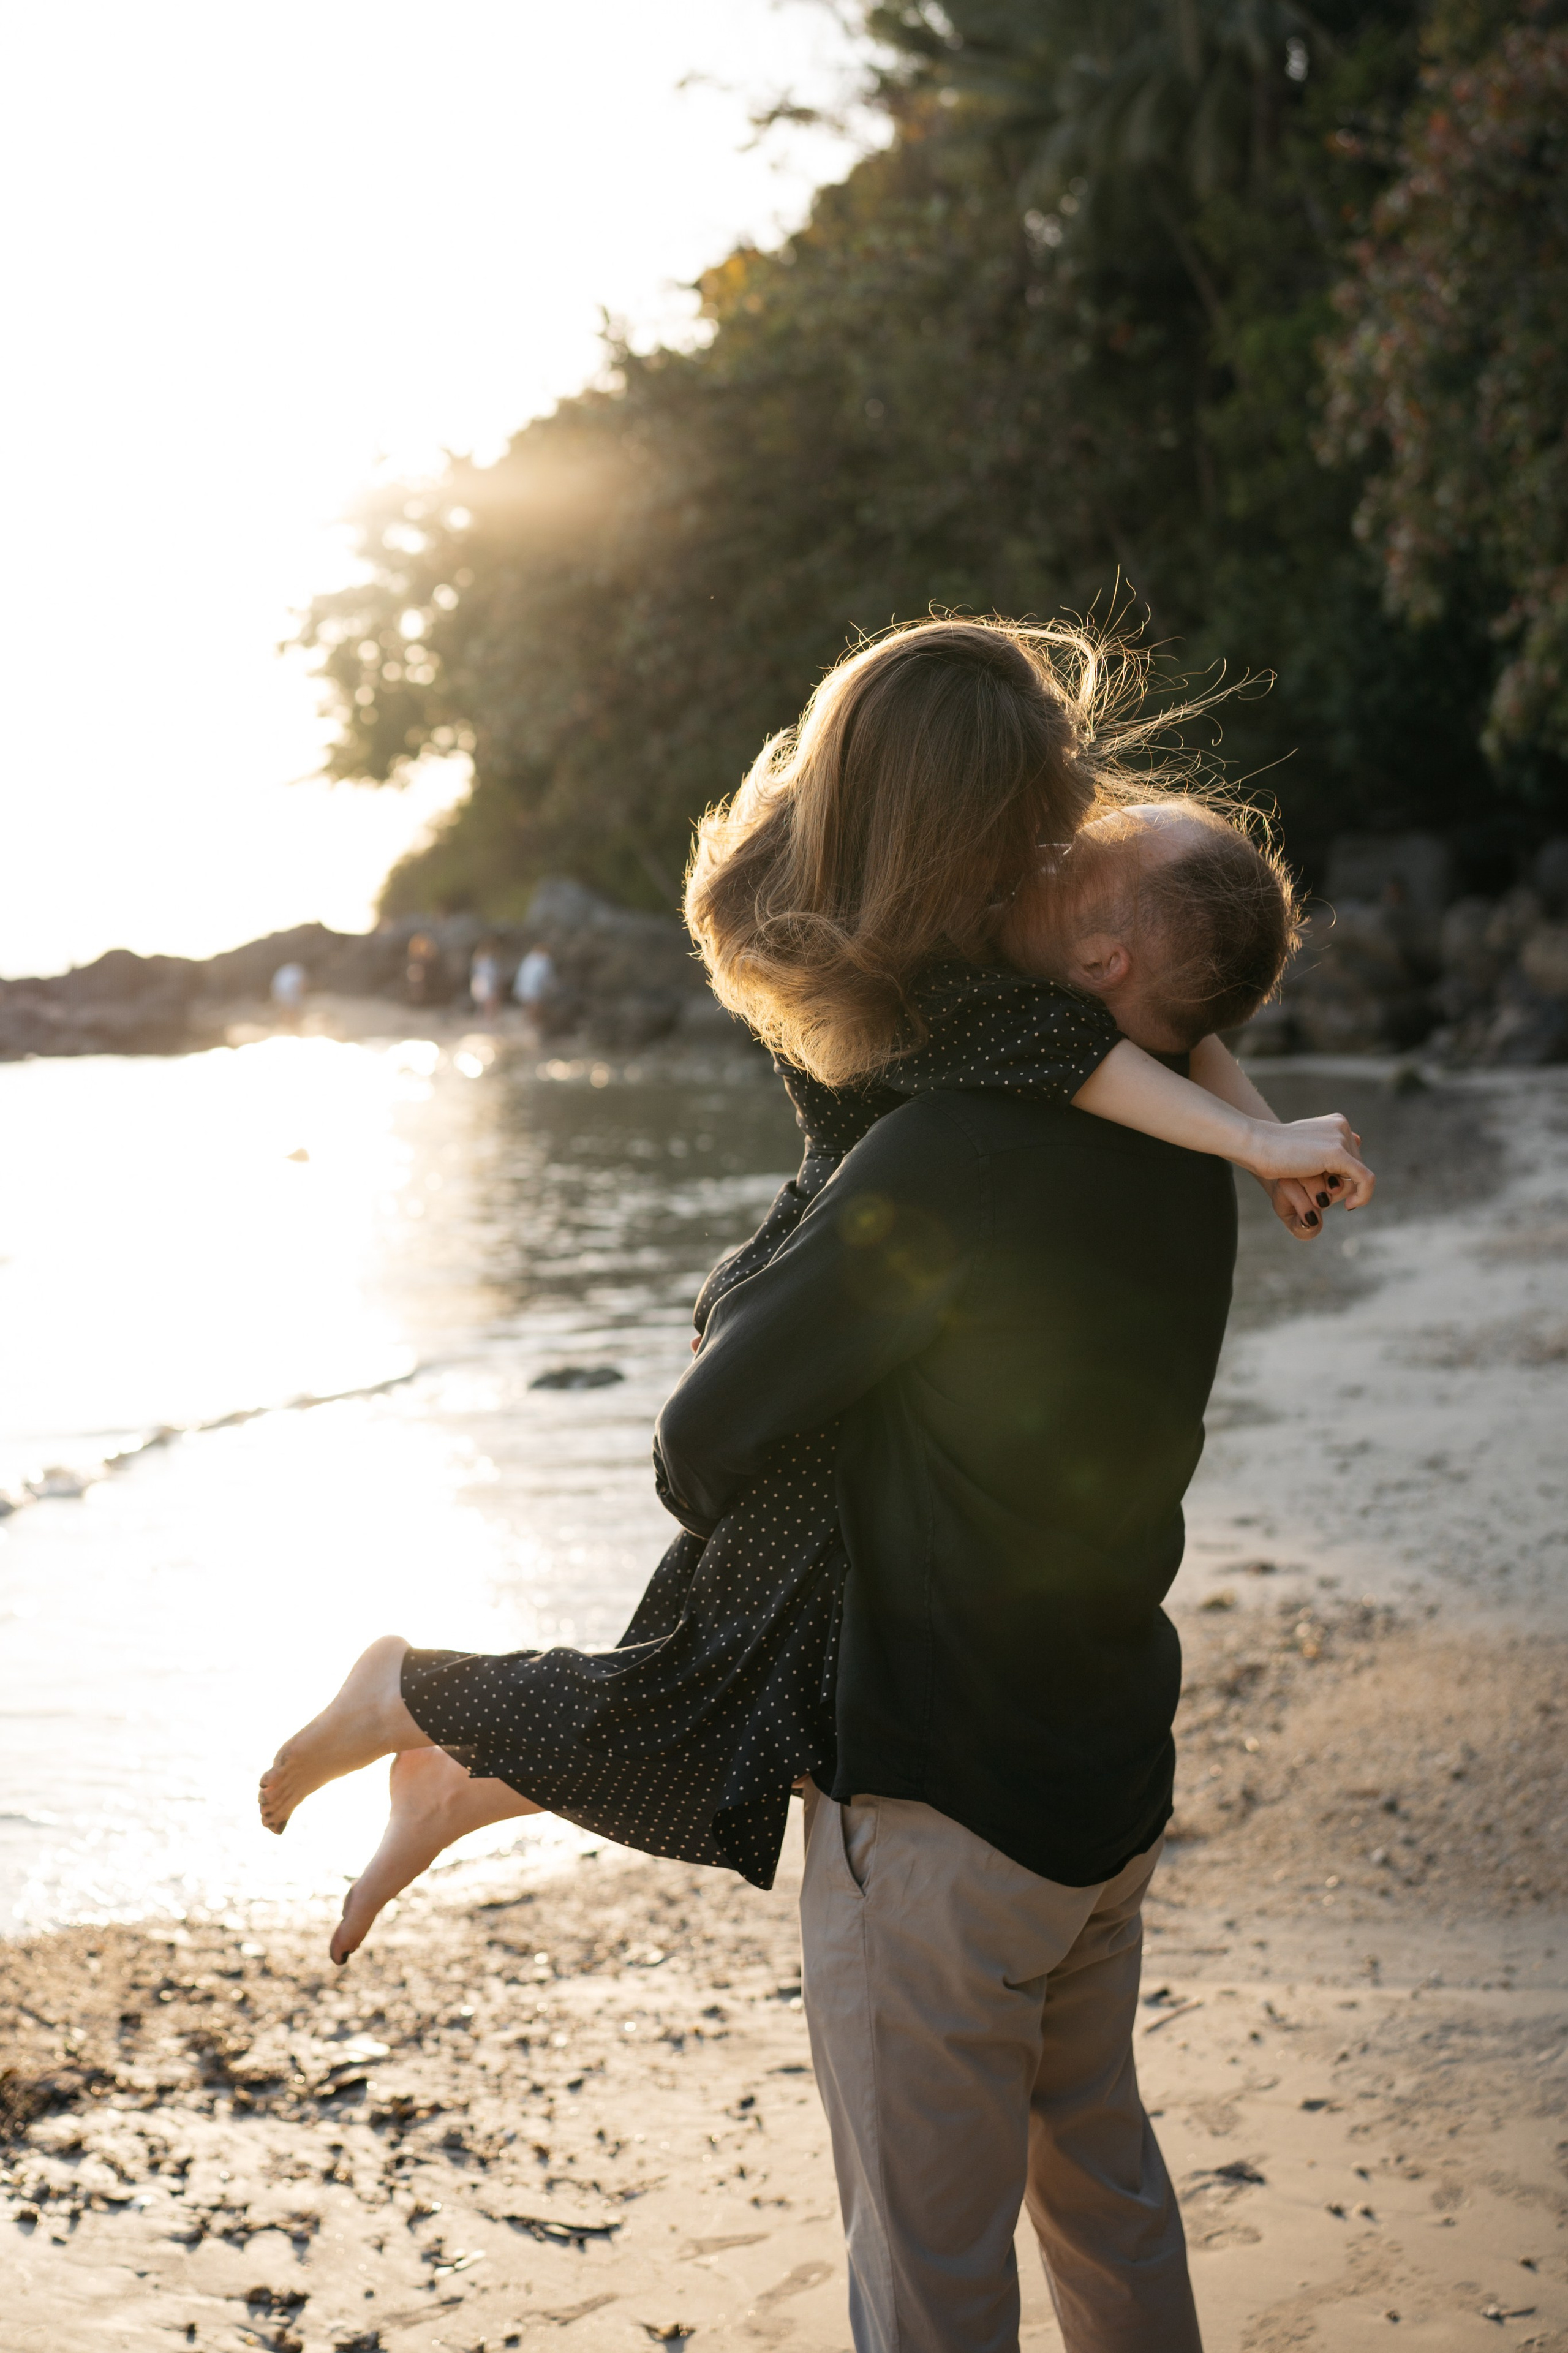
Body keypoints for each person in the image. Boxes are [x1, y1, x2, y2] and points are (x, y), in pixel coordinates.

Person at [258, 621, 1370, 1987]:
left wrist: (1261, 1142)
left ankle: (461, 1775)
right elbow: (1112, 1039)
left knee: (726, 1652)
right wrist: (1252, 1147)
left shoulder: (896, 887)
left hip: (828, 1257)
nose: (1060, 834)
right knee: (737, 1647)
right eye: (1039, 812)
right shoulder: (967, 986)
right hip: (828, 1265)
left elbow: (1167, 1020)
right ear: (956, 818)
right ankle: (418, 1697)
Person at [511, 943, 556, 1043]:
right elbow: (547, 978)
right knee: (536, 1011)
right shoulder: (544, 961)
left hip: (525, 989)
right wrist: (553, 988)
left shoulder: (529, 959)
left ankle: (528, 1031)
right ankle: (534, 1033)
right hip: (535, 990)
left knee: (529, 1009)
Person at [469, 940, 503, 1022]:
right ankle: (487, 1021)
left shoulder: (478, 960)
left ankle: (483, 1020)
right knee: (488, 1003)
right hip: (485, 983)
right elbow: (492, 975)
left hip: (481, 982)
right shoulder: (487, 962)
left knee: (483, 1004)